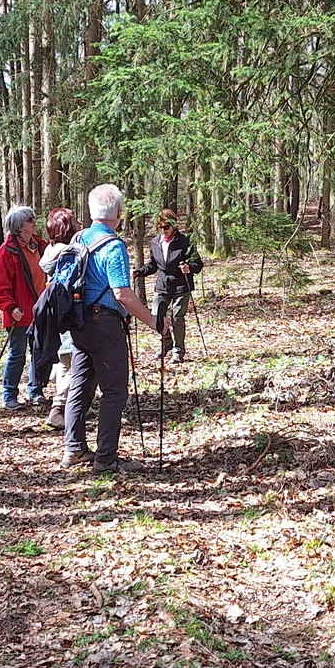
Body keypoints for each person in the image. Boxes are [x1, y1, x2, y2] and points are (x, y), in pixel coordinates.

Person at [63, 184, 162, 474]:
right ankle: (106, 458)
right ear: (118, 213)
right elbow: (123, 294)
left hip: (79, 323)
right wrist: (154, 322)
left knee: (80, 387)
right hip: (105, 324)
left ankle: (74, 449)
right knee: (115, 391)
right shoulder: (113, 246)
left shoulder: (78, 238)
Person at [0, 205, 48, 411]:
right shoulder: (7, 252)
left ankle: (36, 391)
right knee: (18, 353)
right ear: (18, 227)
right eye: (29, 220)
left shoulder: (41, 245)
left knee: (39, 352)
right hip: (19, 313)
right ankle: (9, 395)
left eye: (33, 218)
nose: (34, 222)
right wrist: (10, 307)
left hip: (41, 310)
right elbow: (0, 289)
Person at [139, 208, 203, 363]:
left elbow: (198, 264)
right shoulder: (155, 242)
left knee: (177, 317)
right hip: (163, 284)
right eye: (160, 227)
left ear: (173, 225)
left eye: (166, 227)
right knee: (156, 315)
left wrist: (189, 268)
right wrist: (140, 272)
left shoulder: (185, 242)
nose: (163, 230)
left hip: (181, 285)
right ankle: (166, 343)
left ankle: (178, 351)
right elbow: (153, 265)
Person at [37, 207, 81, 429]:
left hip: (56, 314)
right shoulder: (67, 253)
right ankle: (60, 409)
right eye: (73, 221)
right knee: (73, 363)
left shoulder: (49, 251)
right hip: (68, 313)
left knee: (66, 362)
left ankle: (65, 406)